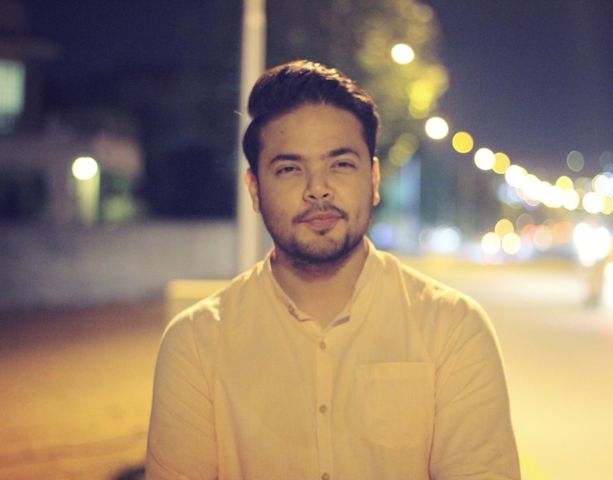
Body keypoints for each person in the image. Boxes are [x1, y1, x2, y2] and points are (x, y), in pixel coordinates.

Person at [146, 60, 521, 480]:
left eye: (340, 164)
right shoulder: (197, 343)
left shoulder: (451, 328)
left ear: (373, 178)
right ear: (254, 189)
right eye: (289, 169)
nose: (318, 189)